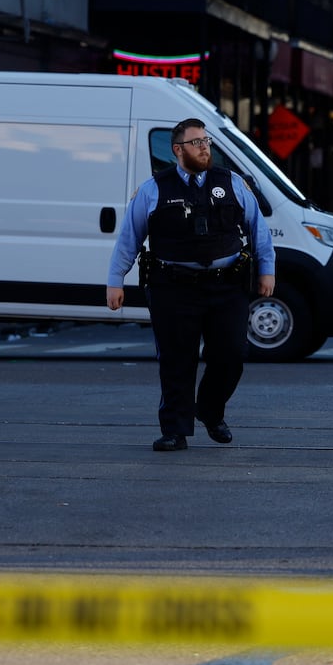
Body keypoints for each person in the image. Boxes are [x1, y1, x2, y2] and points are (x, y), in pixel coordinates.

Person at [107, 119, 276, 452]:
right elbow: (130, 237)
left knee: (231, 354)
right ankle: (175, 430)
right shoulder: (154, 189)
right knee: (176, 359)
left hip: (226, 285)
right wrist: (116, 280)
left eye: (207, 141)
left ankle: (210, 411)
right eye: (196, 142)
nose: (204, 147)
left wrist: (266, 270)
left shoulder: (232, 183)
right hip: (173, 286)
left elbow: (258, 229)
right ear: (177, 150)